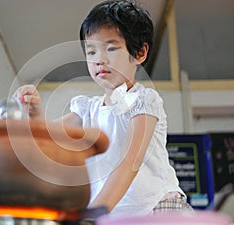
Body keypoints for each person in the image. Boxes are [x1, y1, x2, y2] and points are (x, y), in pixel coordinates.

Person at [14, 0, 193, 215]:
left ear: (139, 53)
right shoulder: (87, 109)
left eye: (111, 48)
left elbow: (130, 163)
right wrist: (35, 112)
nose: (100, 59)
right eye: (91, 52)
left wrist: (92, 213)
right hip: (117, 215)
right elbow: (49, 140)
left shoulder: (144, 101)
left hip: (160, 208)